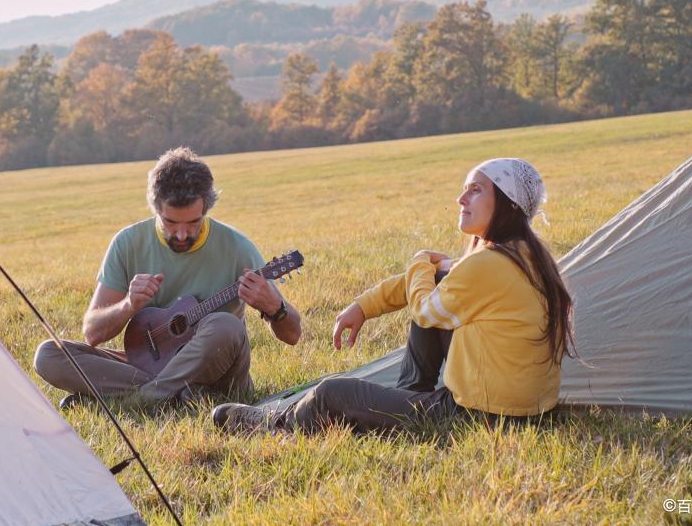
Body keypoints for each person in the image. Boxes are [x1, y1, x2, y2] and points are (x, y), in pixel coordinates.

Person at [213, 157, 573, 433]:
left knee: (333, 392)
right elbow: (435, 283)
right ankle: (407, 399)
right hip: (522, 411)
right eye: (464, 188)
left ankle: (275, 426)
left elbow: (426, 308)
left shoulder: (490, 264)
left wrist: (419, 260)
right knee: (434, 297)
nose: (461, 197)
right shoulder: (523, 255)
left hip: (480, 416)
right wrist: (363, 307)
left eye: (476, 190)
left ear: (508, 204)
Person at [33, 147, 302, 408]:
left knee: (225, 325)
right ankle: (175, 397)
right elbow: (92, 332)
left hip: (217, 376)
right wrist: (129, 304)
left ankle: (138, 399)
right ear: (155, 209)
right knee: (48, 354)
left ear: (206, 209)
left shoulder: (238, 248)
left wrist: (275, 308)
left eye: (193, 222)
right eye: (171, 223)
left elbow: (292, 335)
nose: (182, 234)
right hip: (147, 364)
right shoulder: (128, 243)